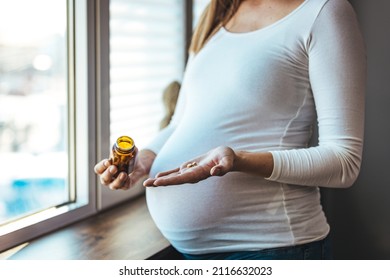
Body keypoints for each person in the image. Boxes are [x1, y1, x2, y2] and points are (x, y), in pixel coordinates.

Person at [94, 0, 366, 260]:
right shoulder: (216, 16)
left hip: (273, 249)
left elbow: (343, 162)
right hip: (188, 255)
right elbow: (181, 121)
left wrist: (237, 159)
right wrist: (146, 159)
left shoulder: (324, 13)